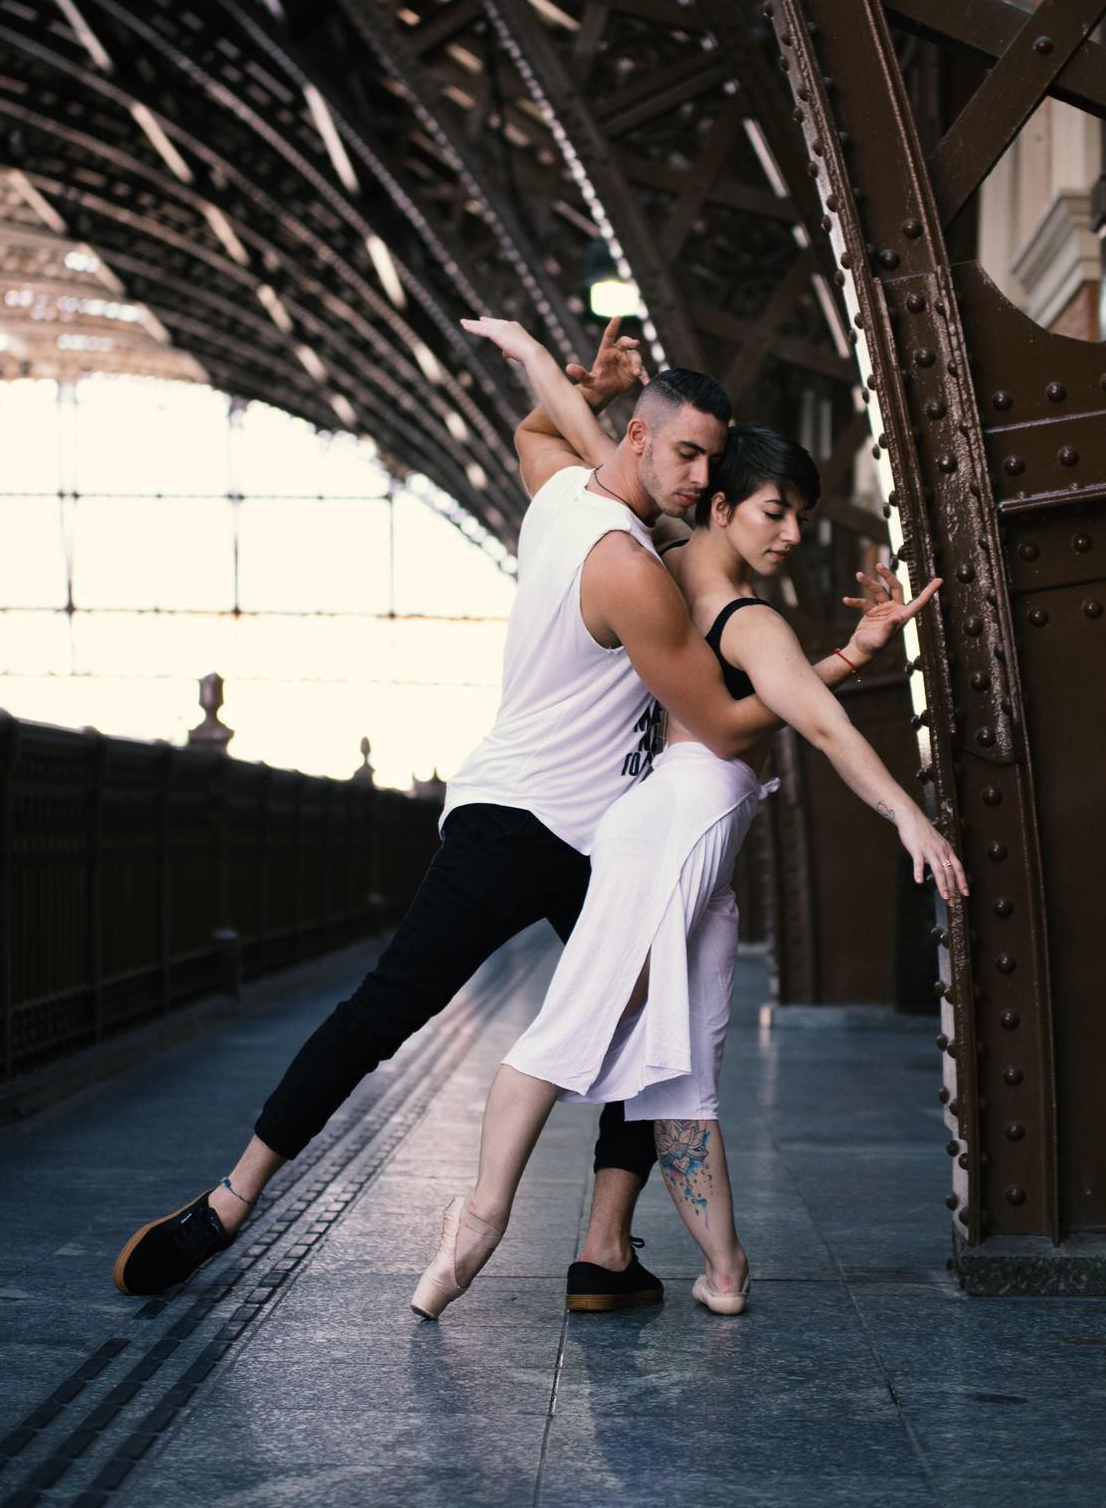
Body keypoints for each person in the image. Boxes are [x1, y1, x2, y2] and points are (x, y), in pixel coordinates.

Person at [113, 318, 789, 1308]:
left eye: (711, 461)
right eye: (685, 452)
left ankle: (243, 1200)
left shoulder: (563, 496)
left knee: (425, 1009)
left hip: (522, 818)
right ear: (639, 441)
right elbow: (724, 724)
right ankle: (590, 1245)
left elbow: (534, 436)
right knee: (622, 1029)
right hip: (558, 830)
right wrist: (838, 671)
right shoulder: (636, 569)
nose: (698, 477)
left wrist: (583, 388)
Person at [409, 318, 966, 1321]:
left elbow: (587, 433)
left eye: (797, 513)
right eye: (773, 511)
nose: (789, 532)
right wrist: (907, 818)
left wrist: (536, 357)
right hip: (664, 843)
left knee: (683, 1071)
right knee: (570, 1032)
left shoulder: (674, 550)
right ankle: (472, 1230)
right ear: (722, 504)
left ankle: (724, 1268)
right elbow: (824, 726)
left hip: (699, 851)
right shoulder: (748, 618)